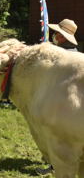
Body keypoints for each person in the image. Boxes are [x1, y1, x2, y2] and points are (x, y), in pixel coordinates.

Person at [36, 19, 78, 176]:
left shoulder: (67, 55)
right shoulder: (73, 52)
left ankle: (57, 167)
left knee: (59, 139)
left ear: (62, 36)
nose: (54, 35)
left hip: (62, 105)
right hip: (66, 103)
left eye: (56, 33)